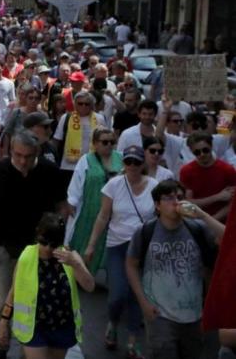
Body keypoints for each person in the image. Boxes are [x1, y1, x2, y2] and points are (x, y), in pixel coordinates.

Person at [0, 131, 66, 341]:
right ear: (11, 151)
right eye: (18, 155)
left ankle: (29, 348)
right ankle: (1, 341)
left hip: (37, 249)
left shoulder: (50, 171)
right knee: (0, 301)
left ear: (37, 152)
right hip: (2, 244)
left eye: (28, 156)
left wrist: (55, 238)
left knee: (32, 302)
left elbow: (62, 207)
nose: (22, 160)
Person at [126, 180, 224, 359]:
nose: (176, 202)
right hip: (160, 315)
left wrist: (202, 215)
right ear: (157, 205)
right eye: (169, 198)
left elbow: (229, 239)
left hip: (193, 315)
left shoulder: (197, 228)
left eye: (179, 197)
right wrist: (143, 302)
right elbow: (131, 264)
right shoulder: (146, 231)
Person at [85, 146, 159, 358]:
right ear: (123, 164)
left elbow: (161, 215)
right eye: (128, 162)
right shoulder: (113, 185)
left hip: (143, 248)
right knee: (117, 295)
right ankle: (113, 322)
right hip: (117, 245)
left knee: (138, 295)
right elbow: (103, 216)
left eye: (137, 162)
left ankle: (133, 341)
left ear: (142, 163)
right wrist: (91, 245)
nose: (133, 167)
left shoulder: (155, 186)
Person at [0, 213, 94, 359]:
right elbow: (13, 292)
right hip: (35, 328)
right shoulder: (26, 257)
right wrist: (3, 322)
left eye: (53, 244)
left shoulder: (70, 258)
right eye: (43, 242)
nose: (48, 248)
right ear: (37, 234)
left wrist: (76, 263)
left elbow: (90, 286)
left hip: (62, 328)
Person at [66, 128, 123, 274]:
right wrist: (72, 201)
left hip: (113, 210)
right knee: (84, 239)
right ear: (95, 143)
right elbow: (77, 181)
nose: (109, 145)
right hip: (89, 209)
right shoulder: (85, 160)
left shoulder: (121, 158)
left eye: (112, 142)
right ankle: (79, 273)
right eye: (104, 142)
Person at [52, 91, 107, 188]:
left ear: (91, 105)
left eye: (87, 104)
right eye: (80, 103)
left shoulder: (99, 119)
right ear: (75, 104)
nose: (83, 106)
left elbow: (105, 140)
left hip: (91, 166)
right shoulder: (66, 118)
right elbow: (57, 140)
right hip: (68, 166)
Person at [179, 132, 236, 222]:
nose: (202, 154)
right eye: (197, 152)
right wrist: (217, 197)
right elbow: (187, 202)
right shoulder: (186, 171)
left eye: (205, 150)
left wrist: (211, 221)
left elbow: (232, 204)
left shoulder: (227, 170)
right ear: (191, 151)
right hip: (196, 221)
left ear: (211, 147)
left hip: (222, 222)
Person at [0, 84, 42, 157]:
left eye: (36, 98)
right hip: (16, 151)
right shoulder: (17, 112)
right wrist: (5, 153)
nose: (33, 100)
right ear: (26, 98)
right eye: (31, 98)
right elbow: (7, 133)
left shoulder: (41, 115)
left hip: (34, 153)